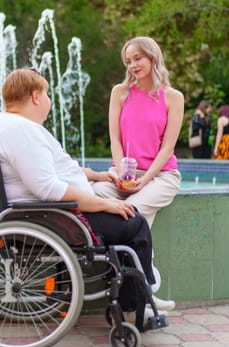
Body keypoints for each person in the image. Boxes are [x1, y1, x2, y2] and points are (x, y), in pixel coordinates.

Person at [0, 67, 157, 327]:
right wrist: (105, 204)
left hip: (47, 214)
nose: (50, 102)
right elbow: (49, 188)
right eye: (48, 95)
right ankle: (135, 307)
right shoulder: (23, 131)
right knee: (135, 223)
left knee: (125, 217)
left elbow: (57, 170)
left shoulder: (7, 124)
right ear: (36, 96)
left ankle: (132, 296)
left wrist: (97, 176)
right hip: (56, 218)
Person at [91, 36, 184, 311]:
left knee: (130, 213)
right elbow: (115, 140)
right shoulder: (120, 92)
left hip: (161, 176)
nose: (132, 65)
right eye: (128, 61)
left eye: (138, 59)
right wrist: (121, 173)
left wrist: (145, 179)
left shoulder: (173, 97)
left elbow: (168, 147)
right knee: (95, 194)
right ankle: (146, 285)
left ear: (152, 57)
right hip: (124, 176)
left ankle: (144, 287)